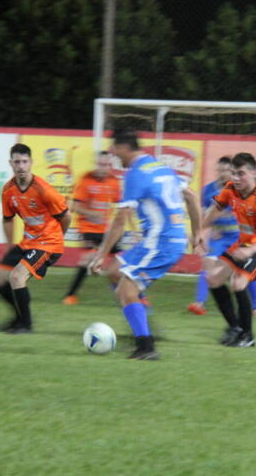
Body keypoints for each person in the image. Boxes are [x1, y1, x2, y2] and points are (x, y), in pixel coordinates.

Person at [90, 126, 202, 360]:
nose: (113, 154)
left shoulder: (136, 173)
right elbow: (191, 196)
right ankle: (143, 319)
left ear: (124, 147)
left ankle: (146, 346)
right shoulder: (159, 166)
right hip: (166, 240)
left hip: (160, 243)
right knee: (113, 272)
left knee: (126, 289)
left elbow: (120, 221)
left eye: (115, 149)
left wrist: (101, 253)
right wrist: (197, 231)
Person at [198, 152, 256, 347]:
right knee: (213, 278)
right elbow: (214, 210)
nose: (236, 178)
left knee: (238, 282)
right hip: (242, 244)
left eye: (241, 173)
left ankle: (248, 337)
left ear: (253, 173)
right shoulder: (230, 189)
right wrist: (201, 230)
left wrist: (251, 251)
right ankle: (235, 328)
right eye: (234, 173)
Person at [0, 143, 71, 334]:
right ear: (11, 163)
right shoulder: (8, 190)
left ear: (31, 163)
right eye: (17, 162)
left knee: (17, 276)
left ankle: (26, 325)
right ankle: (18, 318)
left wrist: (57, 238)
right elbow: (8, 219)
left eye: (25, 162)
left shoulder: (44, 190)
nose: (21, 166)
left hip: (48, 244)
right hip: (28, 243)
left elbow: (66, 216)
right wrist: (9, 246)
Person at [186, 156, 256, 316]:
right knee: (208, 264)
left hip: (238, 237)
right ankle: (199, 303)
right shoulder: (208, 190)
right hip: (219, 237)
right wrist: (205, 230)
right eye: (219, 170)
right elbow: (202, 213)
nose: (222, 173)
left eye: (226, 170)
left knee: (247, 270)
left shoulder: (239, 189)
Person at [62, 151, 121, 305]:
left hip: (106, 230)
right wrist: (91, 213)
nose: (103, 168)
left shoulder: (113, 181)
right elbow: (73, 206)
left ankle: (130, 295)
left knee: (120, 262)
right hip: (87, 228)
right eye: (100, 164)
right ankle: (70, 295)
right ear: (95, 164)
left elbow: (121, 203)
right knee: (87, 259)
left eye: (106, 165)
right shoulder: (86, 179)